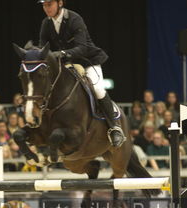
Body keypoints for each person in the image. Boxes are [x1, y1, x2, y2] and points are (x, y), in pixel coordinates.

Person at [38, 0, 125, 147]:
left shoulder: (74, 19)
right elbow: (43, 48)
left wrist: (61, 53)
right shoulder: (46, 23)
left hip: (87, 61)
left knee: (98, 89)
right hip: (65, 64)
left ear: (60, 3)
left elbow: (82, 48)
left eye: (49, 4)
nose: (46, 8)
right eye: (44, 5)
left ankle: (114, 128)